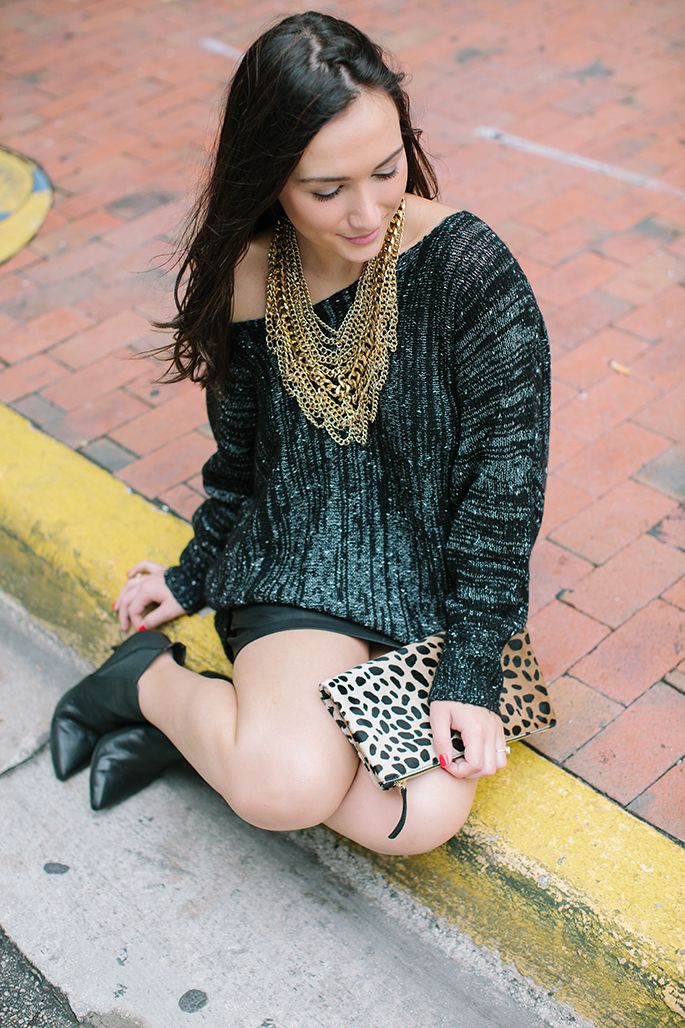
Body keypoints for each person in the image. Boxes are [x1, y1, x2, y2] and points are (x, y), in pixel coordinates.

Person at [50, 10, 551, 857]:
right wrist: (195, 571)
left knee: (415, 820)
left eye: (385, 170)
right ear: (270, 177)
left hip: (427, 578)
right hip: (297, 553)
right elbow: (241, 461)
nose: (365, 211)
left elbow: (504, 490)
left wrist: (470, 670)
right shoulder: (250, 272)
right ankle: (146, 683)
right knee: (282, 786)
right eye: (325, 190)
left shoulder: (471, 274)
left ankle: (200, 730)